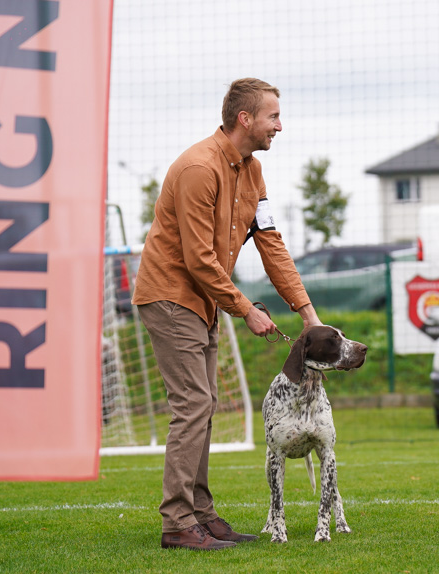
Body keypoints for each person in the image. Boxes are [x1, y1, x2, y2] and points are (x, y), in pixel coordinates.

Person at [132, 78, 322, 550]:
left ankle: (200, 513)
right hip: (170, 295)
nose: (280, 125)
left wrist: (308, 314)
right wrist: (244, 310)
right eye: (273, 116)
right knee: (193, 405)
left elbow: (271, 244)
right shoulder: (199, 168)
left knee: (204, 405)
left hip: (201, 301)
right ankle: (178, 523)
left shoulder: (253, 172)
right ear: (245, 119)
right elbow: (198, 259)